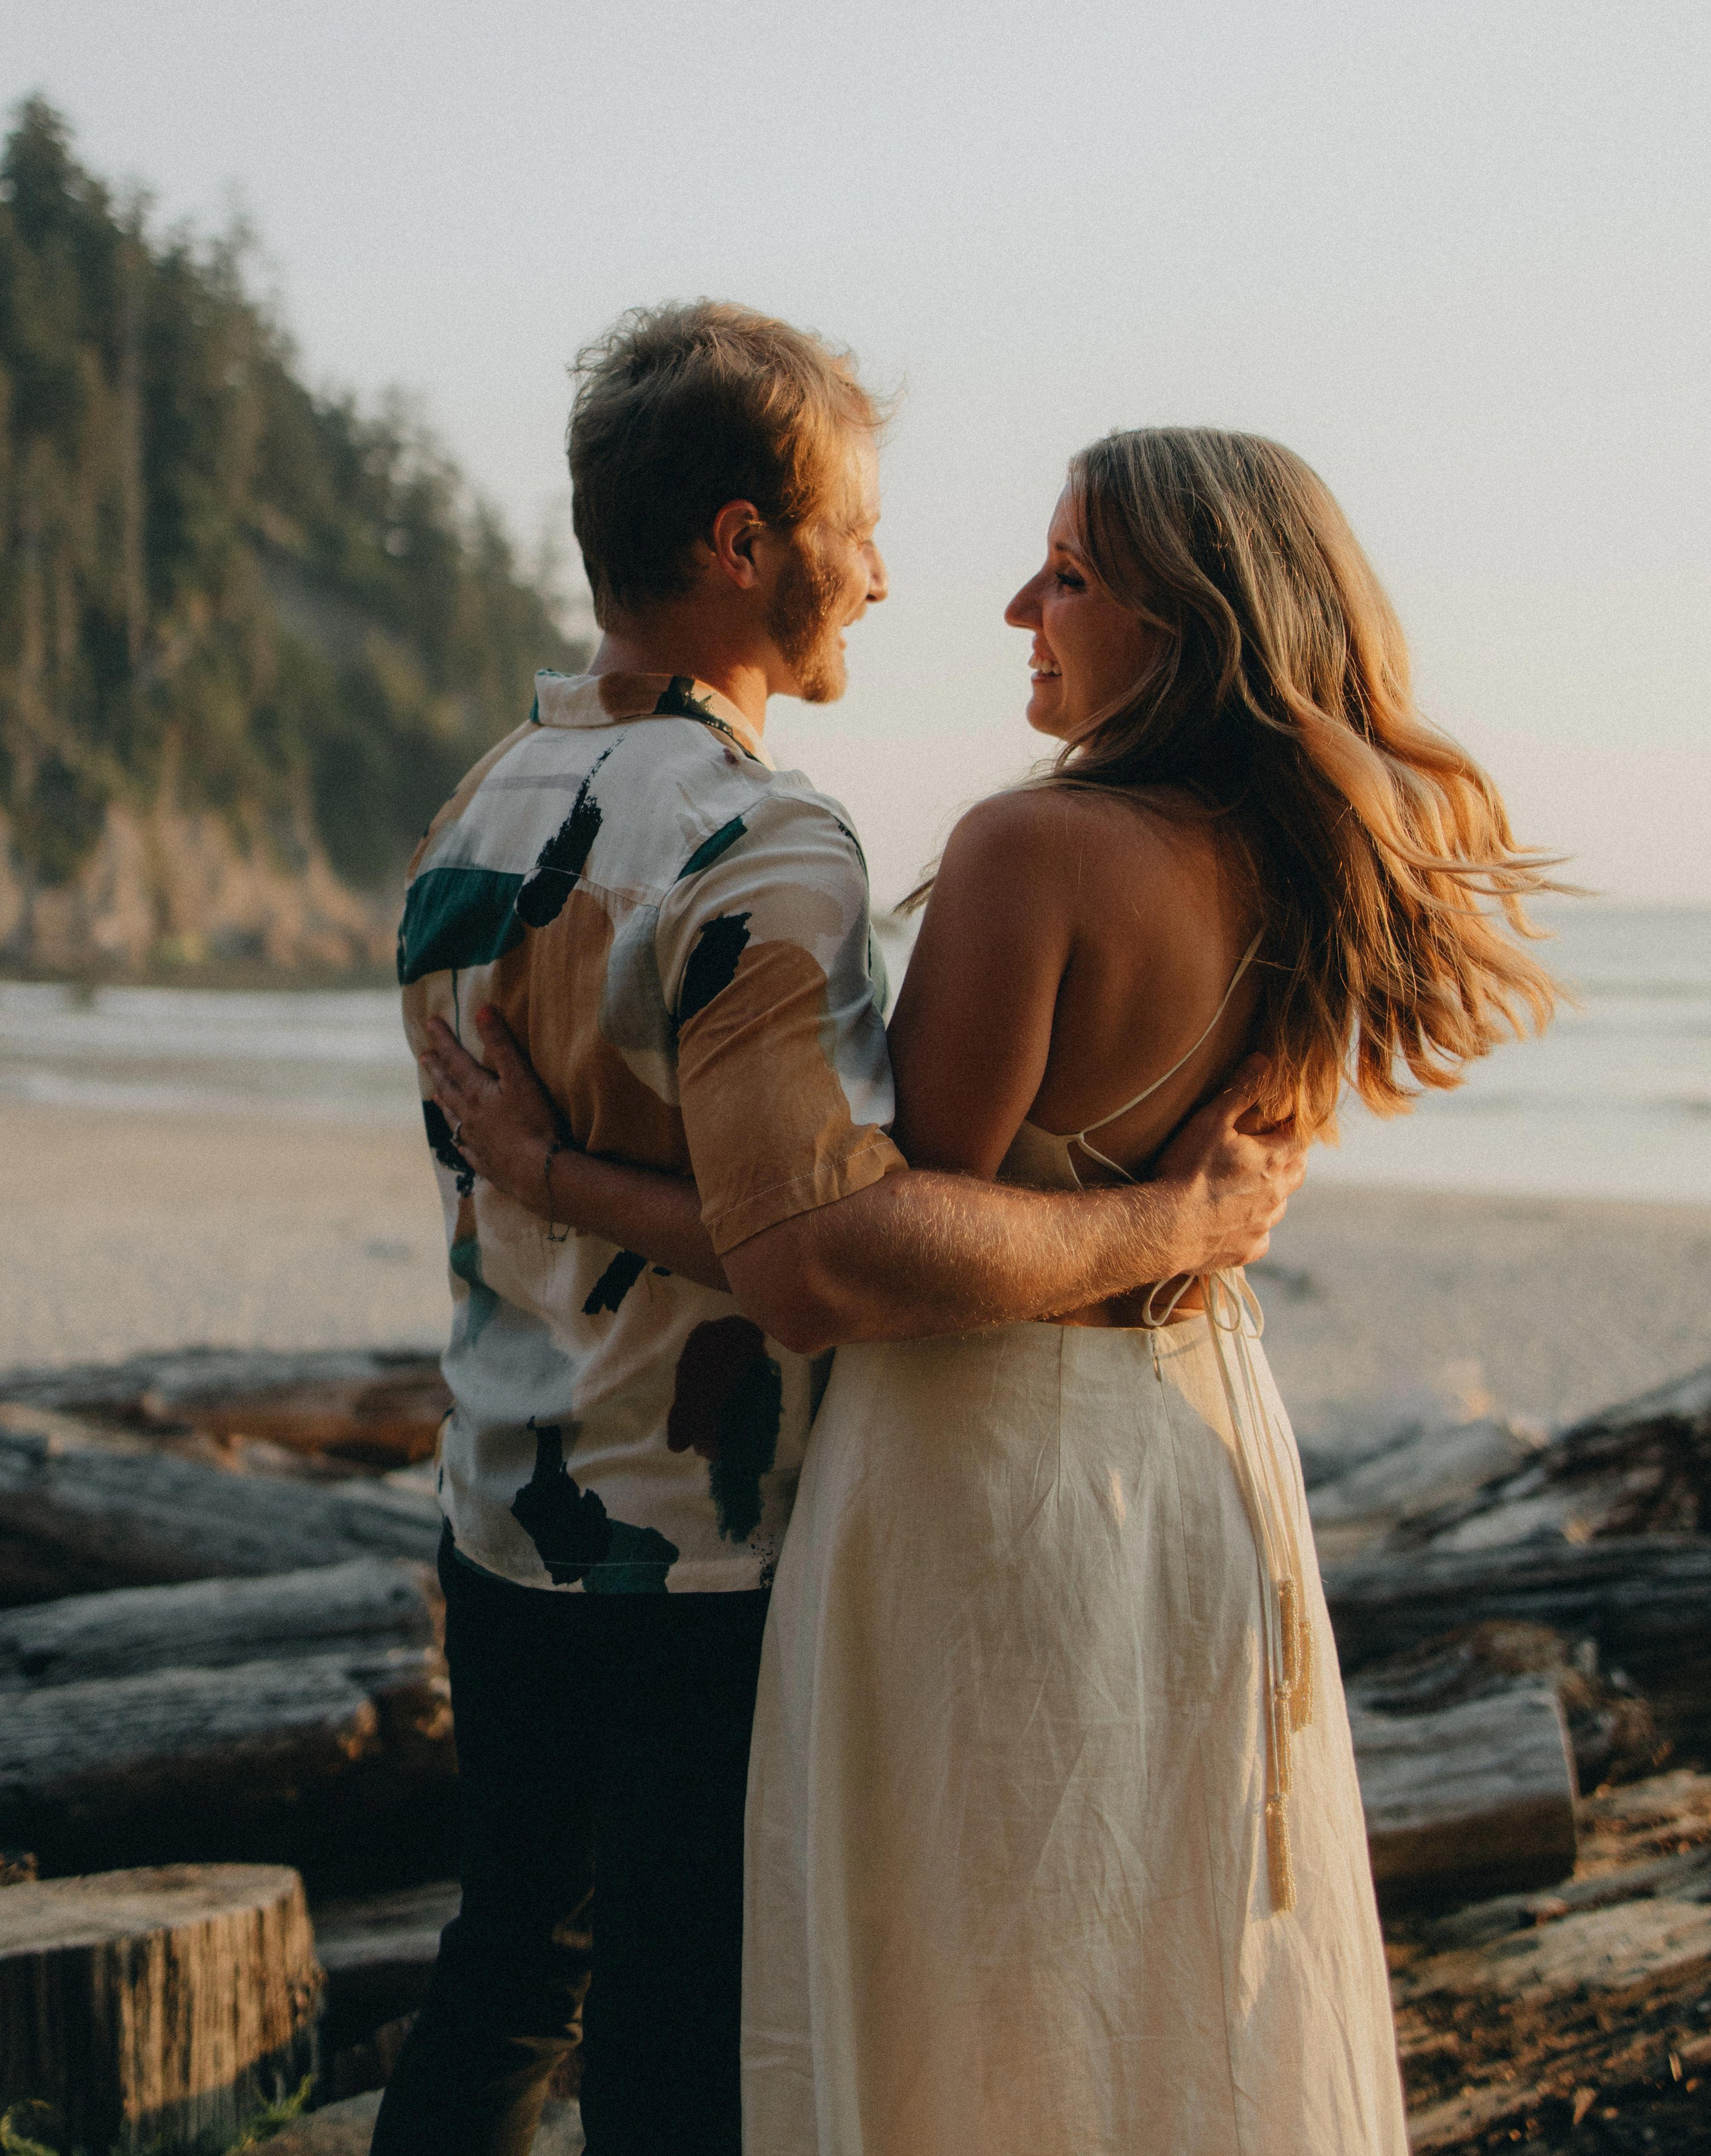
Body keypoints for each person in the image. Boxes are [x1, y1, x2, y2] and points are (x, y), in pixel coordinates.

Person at [434, 421, 1561, 2155]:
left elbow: (870, 1240)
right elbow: (1161, 1193)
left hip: (986, 1471)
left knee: (957, 1993)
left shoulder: (1040, 855)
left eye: (1073, 573)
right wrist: (1183, 1227)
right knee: (1147, 1964)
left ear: (1188, 619)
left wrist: (554, 1173)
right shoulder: (1325, 872)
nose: (1018, 601)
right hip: (1196, 1450)